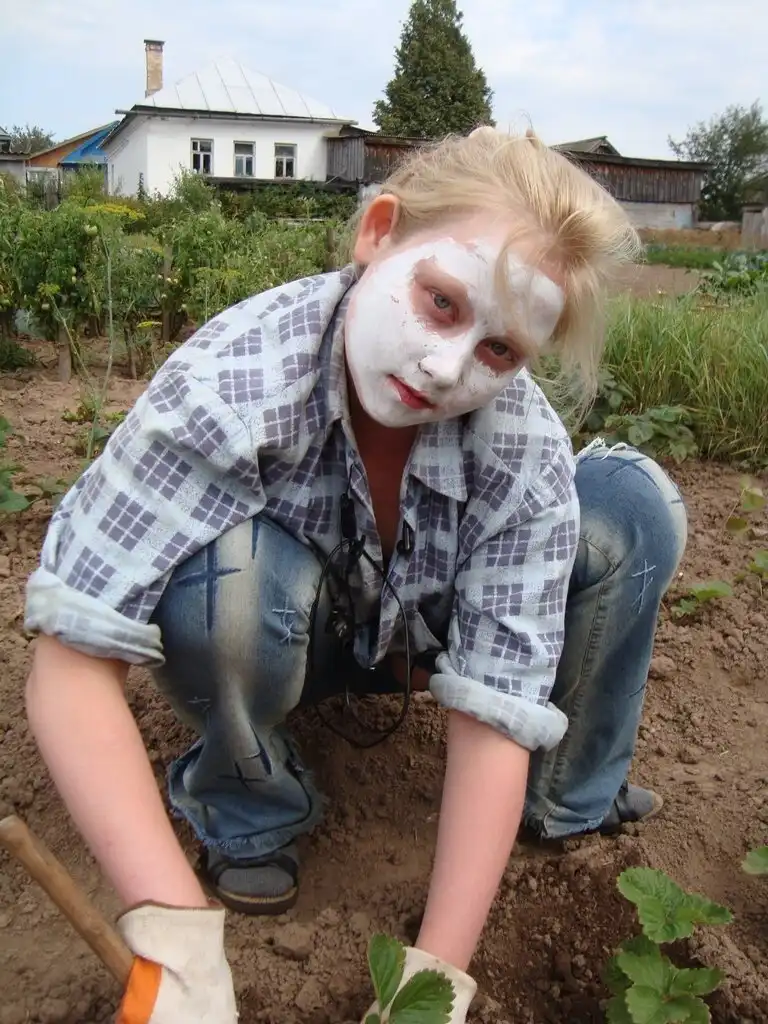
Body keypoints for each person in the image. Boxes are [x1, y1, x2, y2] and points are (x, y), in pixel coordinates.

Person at [23, 127, 687, 1024]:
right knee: (227, 583)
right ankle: (252, 803)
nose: (447, 367)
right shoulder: (237, 378)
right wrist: (172, 939)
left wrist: (432, 986)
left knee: (636, 499)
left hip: (425, 642)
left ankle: (567, 798)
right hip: (287, 630)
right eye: (441, 302)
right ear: (378, 233)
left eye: (500, 351)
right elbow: (72, 656)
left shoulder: (521, 447)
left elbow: (496, 710)